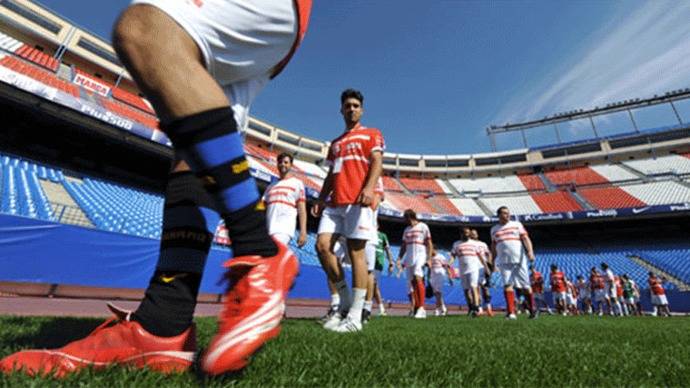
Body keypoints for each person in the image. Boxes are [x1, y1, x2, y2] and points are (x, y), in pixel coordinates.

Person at [1, 0, 312, 377]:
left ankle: (258, 249)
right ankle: (163, 327)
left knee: (145, 30)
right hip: (282, 29)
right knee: (197, 142)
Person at [313, 89, 385, 333]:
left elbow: (377, 163)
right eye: (347, 105)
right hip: (335, 204)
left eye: (356, 105)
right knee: (322, 247)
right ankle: (344, 301)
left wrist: (369, 188)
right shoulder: (334, 144)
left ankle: (355, 316)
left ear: (361, 110)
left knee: (357, 253)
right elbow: (331, 175)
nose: (351, 109)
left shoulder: (371, 134)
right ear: (341, 110)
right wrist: (322, 198)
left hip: (357, 199)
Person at [490, 206, 536, 320]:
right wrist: (492, 260)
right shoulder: (494, 229)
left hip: (518, 260)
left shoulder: (517, 224)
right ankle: (511, 312)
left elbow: (525, 238)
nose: (507, 215)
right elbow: (494, 246)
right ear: (499, 215)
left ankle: (532, 309)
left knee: (525, 286)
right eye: (505, 213)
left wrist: (530, 251)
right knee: (507, 285)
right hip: (503, 261)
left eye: (508, 213)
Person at [263, 152, 307, 247]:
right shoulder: (270, 187)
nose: (283, 164)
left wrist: (303, 232)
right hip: (268, 229)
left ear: (291, 165)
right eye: (280, 162)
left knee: (275, 252)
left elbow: (302, 210)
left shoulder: (297, 183)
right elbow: (262, 208)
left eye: (286, 162)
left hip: (284, 229)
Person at [396, 209, 433, 319]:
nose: (404, 221)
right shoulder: (406, 230)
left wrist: (429, 258)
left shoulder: (423, 226)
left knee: (418, 277)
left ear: (409, 217)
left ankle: (422, 308)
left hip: (420, 254)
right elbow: (403, 246)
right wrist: (399, 258)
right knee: (412, 283)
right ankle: (417, 307)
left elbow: (429, 243)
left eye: (405, 218)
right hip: (409, 256)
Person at [451, 227, 487, 317]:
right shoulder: (456, 244)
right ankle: (470, 307)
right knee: (466, 290)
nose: (467, 234)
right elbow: (453, 256)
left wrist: (486, 266)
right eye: (465, 233)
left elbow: (480, 256)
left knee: (473, 286)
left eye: (468, 233)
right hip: (463, 269)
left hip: (473, 268)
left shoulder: (474, 244)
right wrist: (449, 263)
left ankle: (476, 307)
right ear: (461, 234)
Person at [471, 229, 494, 316]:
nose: (473, 235)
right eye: (472, 234)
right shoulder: (469, 244)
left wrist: (489, 263)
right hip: (473, 267)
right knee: (476, 288)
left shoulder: (483, 244)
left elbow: (489, 254)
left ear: (477, 235)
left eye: (475, 234)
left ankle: (488, 308)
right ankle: (479, 309)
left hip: (482, 267)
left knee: (485, 288)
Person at [372, 230, 394, 316]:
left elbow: (388, 250)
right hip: (367, 261)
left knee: (374, 284)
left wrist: (391, 263)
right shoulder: (368, 232)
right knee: (367, 285)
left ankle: (381, 309)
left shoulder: (382, 235)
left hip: (378, 262)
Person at [429, 250, 451, 316]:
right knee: (436, 293)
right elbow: (429, 268)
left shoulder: (440, 256)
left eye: (432, 250)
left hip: (440, 274)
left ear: (435, 250)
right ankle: (443, 308)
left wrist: (449, 275)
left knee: (438, 292)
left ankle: (437, 309)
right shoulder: (429, 257)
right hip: (432, 275)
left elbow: (445, 266)